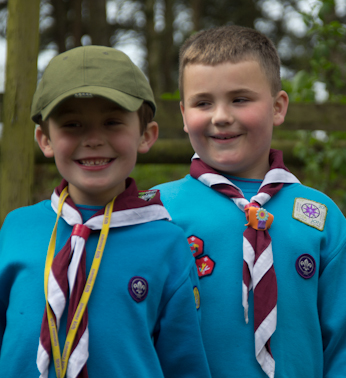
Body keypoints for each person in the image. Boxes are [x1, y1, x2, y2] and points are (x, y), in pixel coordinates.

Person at [152, 25, 346, 378]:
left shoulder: (322, 217)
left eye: (240, 99)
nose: (221, 116)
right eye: (203, 102)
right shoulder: (155, 213)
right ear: (183, 114)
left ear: (277, 107)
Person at [0, 45, 211, 378]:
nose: (94, 139)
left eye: (112, 122)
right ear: (45, 139)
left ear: (146, 135)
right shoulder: (16, 229)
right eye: (72, 124)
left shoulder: (167, 243)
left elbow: (184, 364)